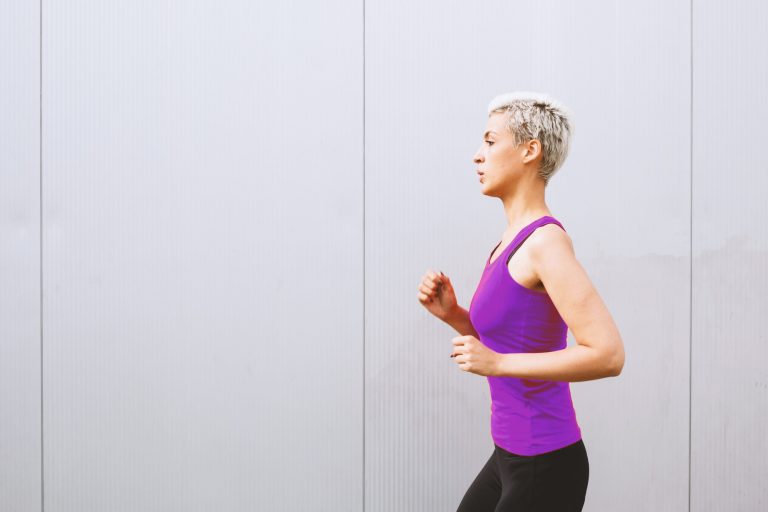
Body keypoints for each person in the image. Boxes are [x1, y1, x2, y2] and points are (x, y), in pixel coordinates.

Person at [416, 91, 625, 511]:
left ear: (531, 150)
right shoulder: (509, 243)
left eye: (490, 142)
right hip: (509, 455)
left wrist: (498, 365)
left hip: (544, 463)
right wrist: (455, 316)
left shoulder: (546, 242)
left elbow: (608, 355)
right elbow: (512, 344)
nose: (477, 155)